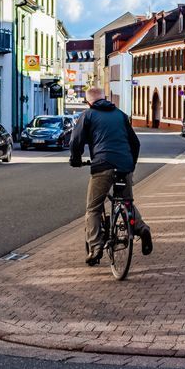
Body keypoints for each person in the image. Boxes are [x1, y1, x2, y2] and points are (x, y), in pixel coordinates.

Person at [69, 86, 153, 265]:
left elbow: (76, 140)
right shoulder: (121, 115)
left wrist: (75, 159)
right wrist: (131, 165)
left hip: (102, 166)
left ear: (88, 102)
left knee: (93, 207)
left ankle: (96, 247)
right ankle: (142, 228)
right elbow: (135, 143)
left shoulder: (88, 115)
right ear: (105, 98)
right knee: (126, 201)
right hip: (125, 165)